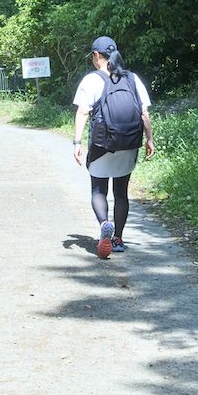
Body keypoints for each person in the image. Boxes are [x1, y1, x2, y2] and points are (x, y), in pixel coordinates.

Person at [72, 36, 155, 259]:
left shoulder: (91, 80)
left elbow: (82, 112)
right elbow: (144, 114)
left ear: (96, 56)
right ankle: (117, 238)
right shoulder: (132, 79)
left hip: (102, 145)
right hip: (129, 144)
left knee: (98, 190)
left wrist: (77, 142)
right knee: (121, 192)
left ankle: (104, 223)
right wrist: (149, 140)